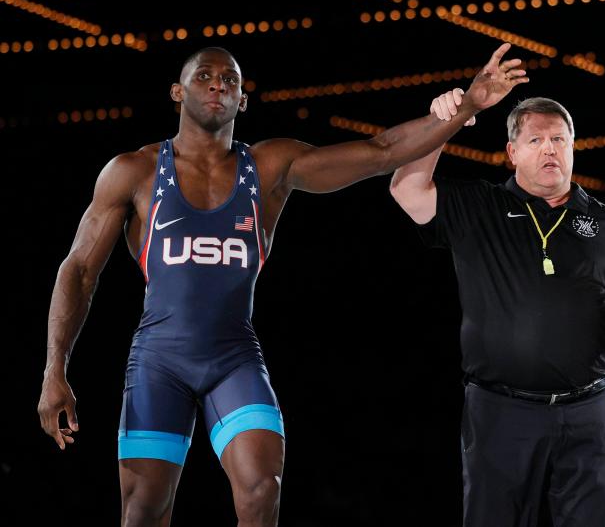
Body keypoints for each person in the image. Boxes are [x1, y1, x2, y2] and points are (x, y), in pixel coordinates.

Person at [36, 43, 526, 527]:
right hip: (159, 361)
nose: (218, 85)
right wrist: (54, 369)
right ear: (177, 92)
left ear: (243, 100)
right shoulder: (134, 171)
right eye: (205, 75)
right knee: (143, 510)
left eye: (231, 80)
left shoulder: (270, 167)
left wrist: (469, 105)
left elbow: (381, 153)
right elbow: (78, 270)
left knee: (261, 489)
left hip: (233, 358)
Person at [390, 90, 605, 527]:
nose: (549, 149)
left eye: (559, 140)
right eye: (536, 141)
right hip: (500, 410)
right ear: (511, 153)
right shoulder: (479, 207)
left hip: (589, 412)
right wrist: (443, 124)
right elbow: (405, 188)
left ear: (573, 148)